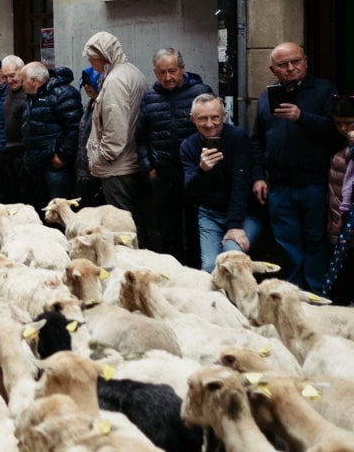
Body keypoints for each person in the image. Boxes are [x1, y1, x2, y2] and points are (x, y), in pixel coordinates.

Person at [251, 41, 340, 290]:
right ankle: (294, 294)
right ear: (273, 70)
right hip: (279, 186)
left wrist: (302, 117)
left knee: (316, 242)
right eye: (283, 64)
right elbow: (256, 139)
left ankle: (315, 295)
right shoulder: (267, 96)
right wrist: (258, 175)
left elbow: (337, 131)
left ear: (306, 62)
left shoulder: (325, 90)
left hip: (315, 184)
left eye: (296, 61)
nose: (290, 68)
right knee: (286, 244)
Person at [135, 48, 212, 264]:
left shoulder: (200, 93)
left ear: (182, 69)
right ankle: (175, 273)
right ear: (155, 73)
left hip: (195, 174)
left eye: (172, 71)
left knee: (196, 231)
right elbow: (140, 138)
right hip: (163, 177)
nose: (168, 77)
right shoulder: (149, 98)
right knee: (168, 233)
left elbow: (216, 128)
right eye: (162, 72)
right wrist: (148, 168)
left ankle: (197, 274)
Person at [182, 94, 264, 273]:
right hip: (210, 213)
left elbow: (241, 182)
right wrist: (202, 170)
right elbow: (190, 190)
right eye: (202, 118)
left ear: (224, 116)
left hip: (243, 213)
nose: (209, 124)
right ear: (192, 119)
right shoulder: (188, 146)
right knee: (210, 267)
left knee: (230, 259)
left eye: (215, 117)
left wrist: (235, 226)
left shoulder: (238, 137)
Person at [84, 31, 147, 213]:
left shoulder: (116, 80)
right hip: (126, 163)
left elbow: (115, 127)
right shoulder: (130, 72)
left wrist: (103, 156)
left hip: (118, 167)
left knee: (121, 222)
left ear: (104, 57)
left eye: (92, 59)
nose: (91, 64)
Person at [21, 61, 82, 209]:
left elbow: (74, 128)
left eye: (23, 80)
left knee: (60, 210)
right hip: (38, 165)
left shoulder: (63, 93)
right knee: (44, 210)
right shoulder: (32, 97)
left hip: (56, 166)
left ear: (33, 81)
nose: (21, 84)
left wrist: (62, 157)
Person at [322, 96, 354, 303]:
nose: (343, 128)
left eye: (349, 123)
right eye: (338, 123)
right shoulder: (338, 143)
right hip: (339, 217)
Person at [0, 55, 27, 202]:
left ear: (22, 71)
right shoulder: (7, 91)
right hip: (9, 149)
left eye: (12, 76)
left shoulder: (28, 91)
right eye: (5, 77)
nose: (9, 80)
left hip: (24, 149)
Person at [74, 68, 103, 206]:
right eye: (84, 83)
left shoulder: (103, 106)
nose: (86, 86)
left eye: (89, 83)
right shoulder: (88, 106)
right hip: (83, 169)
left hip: (98, 169)